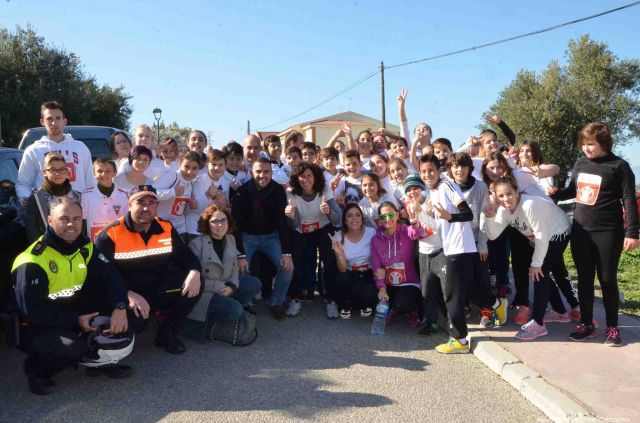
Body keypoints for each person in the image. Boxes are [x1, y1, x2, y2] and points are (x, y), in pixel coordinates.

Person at [11, 198, 133, 395]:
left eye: (76, 219)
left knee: (128, 318)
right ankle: (36, 369)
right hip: (38, 324)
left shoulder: (84, 246)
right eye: (64, 218)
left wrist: (120, 306)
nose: (71, 224)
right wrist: (75, 321)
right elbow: (33, 313)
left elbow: (111, 275)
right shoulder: (32, 260)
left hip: (72, 311)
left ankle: (99, 362)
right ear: (50, 220)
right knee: (73, 347)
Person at [550, 122, 639, 346]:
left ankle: (612, 328)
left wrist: (633, 232)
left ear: (603, 143)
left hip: (608, 231)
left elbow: (629, 200)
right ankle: (587, 324)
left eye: (591, 144)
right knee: (585, 280)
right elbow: (573, 191)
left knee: (607, 279)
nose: (586, 148)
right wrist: (558, 194)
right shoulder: (580, 163)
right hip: (580, 230)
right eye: (584, 144)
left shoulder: (619, 166)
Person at [95, 185, 202, 354]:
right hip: (126, 294)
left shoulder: (166, 228)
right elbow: (101, 277)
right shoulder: (110, 234)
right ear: (129, 204)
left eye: (151, 203)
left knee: (195, 282)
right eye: (140, 202)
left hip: (157, 288)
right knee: (135, 325)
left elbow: (186, 257)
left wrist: (195, 272)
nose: (146, 207)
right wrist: (127, 295)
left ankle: (167, 330)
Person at [485, 176, 572, 340]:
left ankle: (538, 323)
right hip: (542, 238)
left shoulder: (529, 205)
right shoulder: (504, 210)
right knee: (541, 273)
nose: (506, 199)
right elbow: (493, 234)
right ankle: (561, 313)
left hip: (558, 232)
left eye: (509, 193)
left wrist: (536, 264)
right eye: (501, 196)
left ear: (517, 192)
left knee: (539, 273)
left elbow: (541, 236)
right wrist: (490, 217)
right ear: (496, 197)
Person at [420, 154, 477, 354]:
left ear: (439, 171)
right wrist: (426, 214)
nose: (427, 175)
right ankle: (494, 305)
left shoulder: (447, 185)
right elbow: (438, 225)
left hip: (459, 248)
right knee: (460, 292)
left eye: (431, 171)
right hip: (450, 247)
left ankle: (460, 340)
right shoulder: (432, 191)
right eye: (424, 171)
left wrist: (449, 216)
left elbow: (468, 214)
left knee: (452, 296)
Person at [184, 205, 261, 338]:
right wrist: (220, 287)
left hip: (225, 285)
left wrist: (232, 286)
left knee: (254, 283)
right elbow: (194, 281)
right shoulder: (196, 245)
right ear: (207, 224)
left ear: (228, 222)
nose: (220, 224)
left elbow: (234, 268)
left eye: (223, 220)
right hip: (205, 293)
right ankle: (212, 322)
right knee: (236, 310)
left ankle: (229, 305)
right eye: (214, 221)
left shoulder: (230, 239)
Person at [231, 157, 293, 320]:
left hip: (271, 237)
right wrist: (241, 254)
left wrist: (287, 252)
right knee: (241, 267)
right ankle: (246, 301)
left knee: (288, 267)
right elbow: (236, 224)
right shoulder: (242, 191)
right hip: (247, 236)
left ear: (272, 173)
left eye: (266, 172)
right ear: (252, 172)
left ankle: (276, 302)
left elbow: (282, 222)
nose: (262, 175)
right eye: (258, 171)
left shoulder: (278, 191)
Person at [284, 162, 341, 318]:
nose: (306, 179)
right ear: (297, 178)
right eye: (302, 176)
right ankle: (295, 297)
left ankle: (330, 299)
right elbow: (293, 225)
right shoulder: (291, 193)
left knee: (329, 262)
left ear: (315, 177)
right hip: (300, 230)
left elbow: (337, 219)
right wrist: (291, 216)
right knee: (296, 261)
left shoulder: (324, 189)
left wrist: (328, 211)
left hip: (323, 228)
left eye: (309, 175)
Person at [16, 101, 94, 206]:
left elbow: (91, 181)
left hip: (79, 210)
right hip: (47, 211)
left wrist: (93, 202)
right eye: (49, 119)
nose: (54, 123)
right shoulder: (33, 150)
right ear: (42, 121)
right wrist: (26, 197)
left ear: (64, 121)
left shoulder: (80, 148)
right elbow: (23, 183)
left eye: (58, 118)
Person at [371, 202, 424, 329]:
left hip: (408, 283)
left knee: (403, 303)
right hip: (389, 284)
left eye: (391, 214)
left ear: (397, 215)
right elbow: (377, 266)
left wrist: (415, 224)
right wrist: (381, 288)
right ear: (379, 220)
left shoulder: (405, 230)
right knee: (370, 297)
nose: (388, 219)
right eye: (384, 216)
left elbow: (416, 233)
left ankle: (409, 311)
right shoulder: (375, 240)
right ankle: (395, 309)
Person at [330, 203, 378, 319]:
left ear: (362, 218)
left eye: (358, 215)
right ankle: (347, 303)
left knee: (368, 295)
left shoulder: (372, 232)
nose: (354, 219)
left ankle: (359, 303)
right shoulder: (338, 236)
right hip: (350, 272)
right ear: (345, 220)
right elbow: (342, 269)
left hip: (369, 272)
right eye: (350, 216)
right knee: (341, 280)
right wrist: (340, 255)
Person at [25, 153, 83, 243]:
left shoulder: (77, 197)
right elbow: (31, 229)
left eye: (62, 169)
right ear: (45, 172)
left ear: (67, 171)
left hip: (75, 248)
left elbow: (83, 226)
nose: (57, 173)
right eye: (53, 169)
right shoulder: (37, 198)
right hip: (48, 249)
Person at [81, 157, 129, 242]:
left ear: (114, 173)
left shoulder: (123, 196)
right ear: (94, 173)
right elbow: (83, 221)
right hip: (93, 242)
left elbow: (125, 222)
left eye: (108, 171)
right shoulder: (86, 195)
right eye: (99, 171)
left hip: (116, 241)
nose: (103, 174)